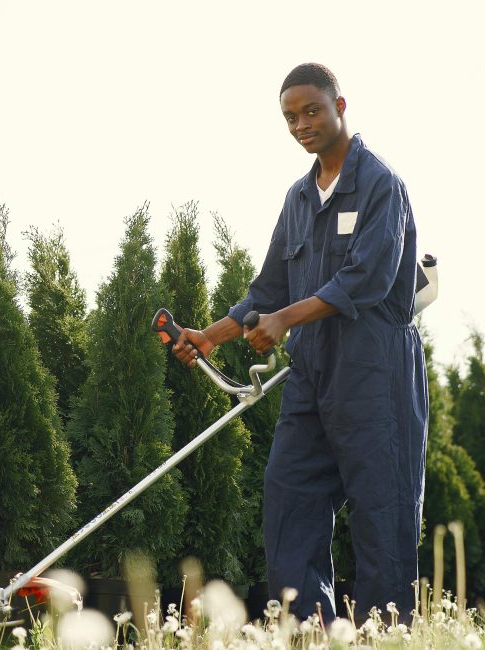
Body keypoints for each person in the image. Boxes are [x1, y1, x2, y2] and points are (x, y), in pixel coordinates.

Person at [170, 62, 427, 623]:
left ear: (340, 105)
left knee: (382, 517)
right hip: (312, 375)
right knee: (290, 505)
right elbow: (268, 289)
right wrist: (210, 337)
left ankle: (389, 634)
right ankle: (310, 632)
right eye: (290, 117)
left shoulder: (382, 185)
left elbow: (368, 280)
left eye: (312, 110)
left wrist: (285, 319)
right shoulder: (298, 198)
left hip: (374, 372)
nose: (301, 124)